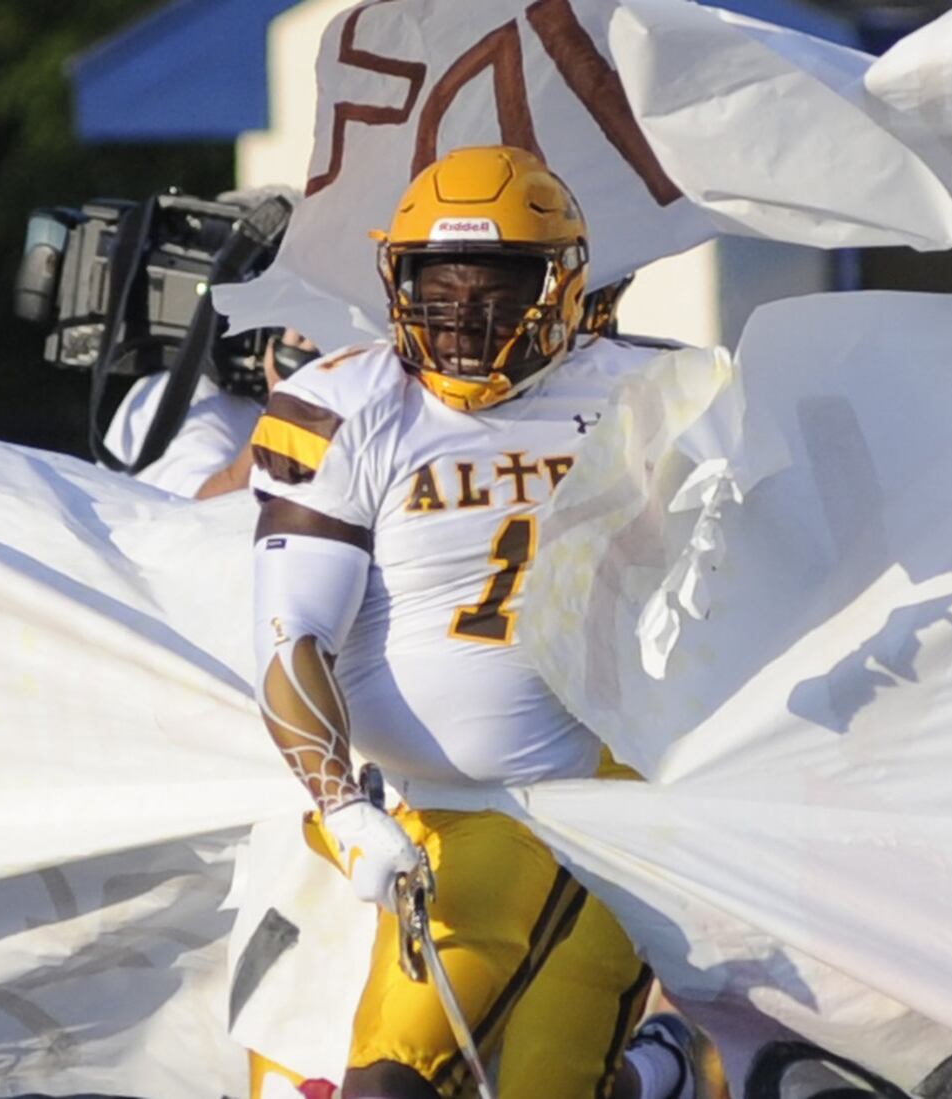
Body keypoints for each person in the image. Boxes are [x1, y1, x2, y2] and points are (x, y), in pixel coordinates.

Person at [247, 144, 698, 1099]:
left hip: (596, 802)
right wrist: (341, 804)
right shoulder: (350, 407)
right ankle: (669, 1080)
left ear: (564, 282)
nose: (460, 310)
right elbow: (291, 636)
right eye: (436, 281)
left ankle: (667, 1076)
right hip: (416, 818)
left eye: (493, 283)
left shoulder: (655, 392)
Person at [103, 328, 316, 498]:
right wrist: (285, 403)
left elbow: (200, 505)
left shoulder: (190, 398)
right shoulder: (187, 398)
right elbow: (205, 502)